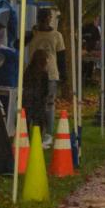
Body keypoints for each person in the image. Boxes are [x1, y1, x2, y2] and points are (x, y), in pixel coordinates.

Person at [26, 8, 66, 138]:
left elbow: (61, 57)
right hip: (33, 74)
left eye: (48, 17)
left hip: (51, 73)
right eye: (43, 17)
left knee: (49, 103)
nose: (47, 20)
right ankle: (31, 130)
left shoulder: (57, 35)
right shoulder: (32, 33)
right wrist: (30, 35)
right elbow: (17, 44)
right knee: (31, 102)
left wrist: (63, 75)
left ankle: (47, 133)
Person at [22, 49, 51, 137]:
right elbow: (46, 90)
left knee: (25, 121)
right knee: (38, 122)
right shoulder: (44, 73)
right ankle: (37, 138)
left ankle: (25, 138)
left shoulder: (28, 70)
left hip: (27, 99)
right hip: (39, 100)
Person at [82, 17, 101, 84]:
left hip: (89, 51)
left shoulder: (94, 29)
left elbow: (97, 41)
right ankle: (86, 79)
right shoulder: (83, 28)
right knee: (85, 64)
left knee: (89, 64)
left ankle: (87, 79)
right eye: (97, 20)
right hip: (85, 50)